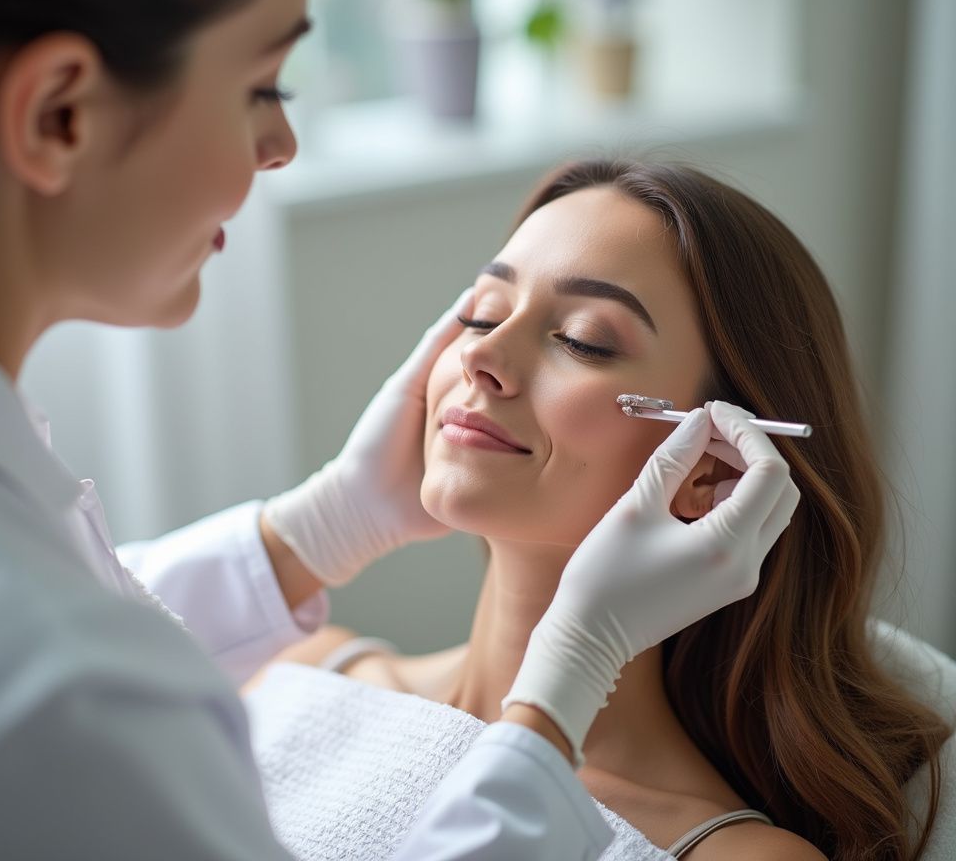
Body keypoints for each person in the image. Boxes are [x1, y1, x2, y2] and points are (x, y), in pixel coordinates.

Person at [0, 0, 800, 859]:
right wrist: (567, 674)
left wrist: (317, 529)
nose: (279, 146)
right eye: (260, 83)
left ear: (707, 470)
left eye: (581, 337)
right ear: (59, 114)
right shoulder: (211, 680)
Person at [264, 160, 953, 861]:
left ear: (712, 466)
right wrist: (315, 528)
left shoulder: (728, 855)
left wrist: (580, 660)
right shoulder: (303, 668)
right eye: (482, 312)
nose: (481, 356)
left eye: (583, 339)